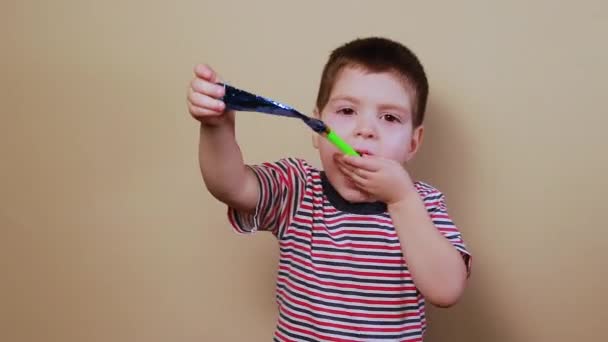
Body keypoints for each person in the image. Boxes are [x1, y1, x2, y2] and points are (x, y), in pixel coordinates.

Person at [187, 36, 472, 342]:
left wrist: (402, 200)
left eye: (389, 117)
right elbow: (230, 186)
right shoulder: (296, 189)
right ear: (317, 126)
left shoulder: (423, 204)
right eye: (347, 111)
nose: (365, 130)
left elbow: (446, 290)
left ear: (413, 143)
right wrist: (216, 128)